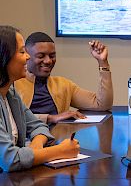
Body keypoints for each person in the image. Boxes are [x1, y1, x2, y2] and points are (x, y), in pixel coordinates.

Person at [0, 25, 80, 172]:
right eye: (22, 51)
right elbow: (10, 159)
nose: (28, 57)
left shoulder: (10, 93)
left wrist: (36, 147)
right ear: (4, 57)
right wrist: (61, 151)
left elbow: (38, 126)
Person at [14, 32, 113, 124]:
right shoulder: (13, 86)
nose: (48, 61)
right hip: (27, 141)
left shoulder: (63, 85)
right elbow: (12, 120)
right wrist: (51, 118)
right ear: (27, 56)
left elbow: (102, 104)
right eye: (41, 56)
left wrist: (103, 62)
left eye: (52, 56)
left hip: (58, 138)